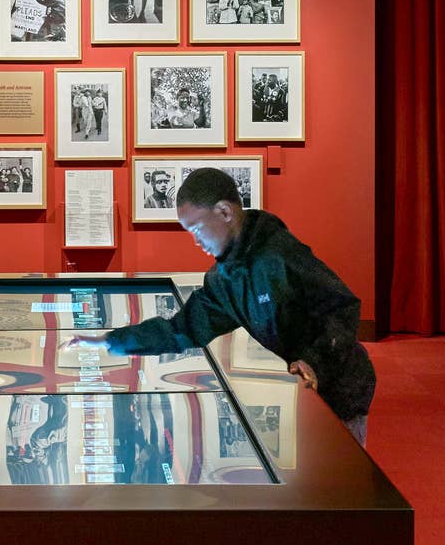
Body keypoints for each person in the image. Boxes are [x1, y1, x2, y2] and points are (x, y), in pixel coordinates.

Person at [73, 168, 376, 444]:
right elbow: (183, 329)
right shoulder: (225, 277)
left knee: (341, 485)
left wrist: (313, 361)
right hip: (302, 391)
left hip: (340, 389)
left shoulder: (279, 254)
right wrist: (113, 341)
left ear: (225, 212)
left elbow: (341, 306)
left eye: (197, 230)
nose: (197, 243)